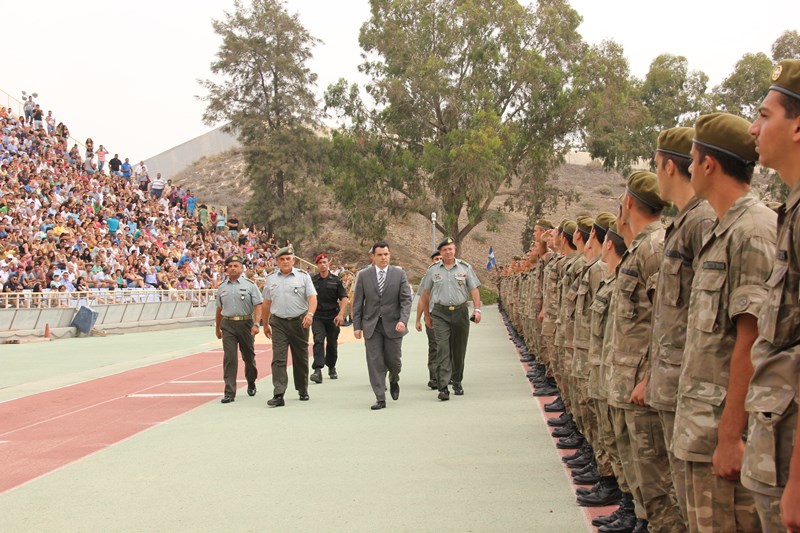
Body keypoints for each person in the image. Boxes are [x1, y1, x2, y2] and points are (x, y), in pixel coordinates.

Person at [673, 112, 775, 532]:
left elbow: (751, 342)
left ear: (709, 164)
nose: (690, 169)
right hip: (701, 425)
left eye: (693, 160)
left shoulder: (752, 231)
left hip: (722, 430)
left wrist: (732, 437)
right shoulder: (723, 229)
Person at [742, 58, 800, 533]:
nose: (753, 127)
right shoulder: (791, 211)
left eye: (765, 114)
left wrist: (798, 480)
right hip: (776, 435)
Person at [647, 126, 715, 524]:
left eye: (657, 165)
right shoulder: (684, 223)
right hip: (676, 385)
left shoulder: (703, 222)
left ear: (670, 166)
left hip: (696, 393)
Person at [419, 237, 481, 401]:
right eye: (444, 249)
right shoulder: (433, 270)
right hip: (440, 313)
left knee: (459, 349)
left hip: (460, 312)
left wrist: (477, 309)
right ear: (440, 252)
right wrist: (426, 315)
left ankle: (457, 381)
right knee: (442, 349)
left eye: (450, 249)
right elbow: (425, 294)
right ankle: (443, 387)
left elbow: (474, 290)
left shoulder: (465, 268)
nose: (448, 252)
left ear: (455, 250)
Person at [352, 241, 412, 410]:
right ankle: (380, 397)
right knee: (375, 362)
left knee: (394, 362)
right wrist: (357, 326)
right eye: (380, 255)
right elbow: (357, 302)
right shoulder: (363, 275)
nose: (383, 257)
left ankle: (394, 378)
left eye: (386, 254)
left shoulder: (399, 274)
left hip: (394, 325)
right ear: (373, 256)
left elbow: (406, 300)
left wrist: (403, 320)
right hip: (372, 326)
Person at [261, 247, 317, 407]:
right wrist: (265, 324)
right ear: (277, 262)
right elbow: (266, 303)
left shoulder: (303, 277)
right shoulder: (271, 279)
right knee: (278, 358)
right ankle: (279, 393)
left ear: (293, 260)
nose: (285, 262)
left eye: (288, 259)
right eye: (282, 259)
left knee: (300, 357)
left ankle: (302, 388)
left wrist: (310, 314)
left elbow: (312, 298)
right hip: (278, 323)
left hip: (300, 322)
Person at [214, 255, 263, 404]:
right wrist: (217, 328)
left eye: (236, 266)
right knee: (230, 358)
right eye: (230, 266)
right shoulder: (222, 287)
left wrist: (256, 324)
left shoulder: (250, 285)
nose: (233, 268)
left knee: (248, 357)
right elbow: (219, 309)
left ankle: (251, 381)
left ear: (242, 269)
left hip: (246, 324)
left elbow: (258, 304)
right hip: (228, 325)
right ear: (226, 269)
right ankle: (229, 392)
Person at [310, 253, 348, 383]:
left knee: (332, 343)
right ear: (317, 265)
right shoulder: (312, 281)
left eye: (325, 262)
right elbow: (308, 298)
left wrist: (341, 314)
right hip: (318, 316)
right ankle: (317, 369)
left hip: (333, 316)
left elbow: (344, 298)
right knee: (318, 340)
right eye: (320, 263)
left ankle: (331, 366)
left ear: (328, 264)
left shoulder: (336, 280)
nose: (322, 264)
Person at [415, 249, 442, 390]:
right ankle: (434, 377)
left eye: (440, 259)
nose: (438, 261)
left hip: (449, 316)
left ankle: (447, 374)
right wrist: (418, 319)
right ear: (432, 261)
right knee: (434, 346)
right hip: (432, 315)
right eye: (436, 259)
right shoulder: (427, 278)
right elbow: (422, 299)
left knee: (448, 346)